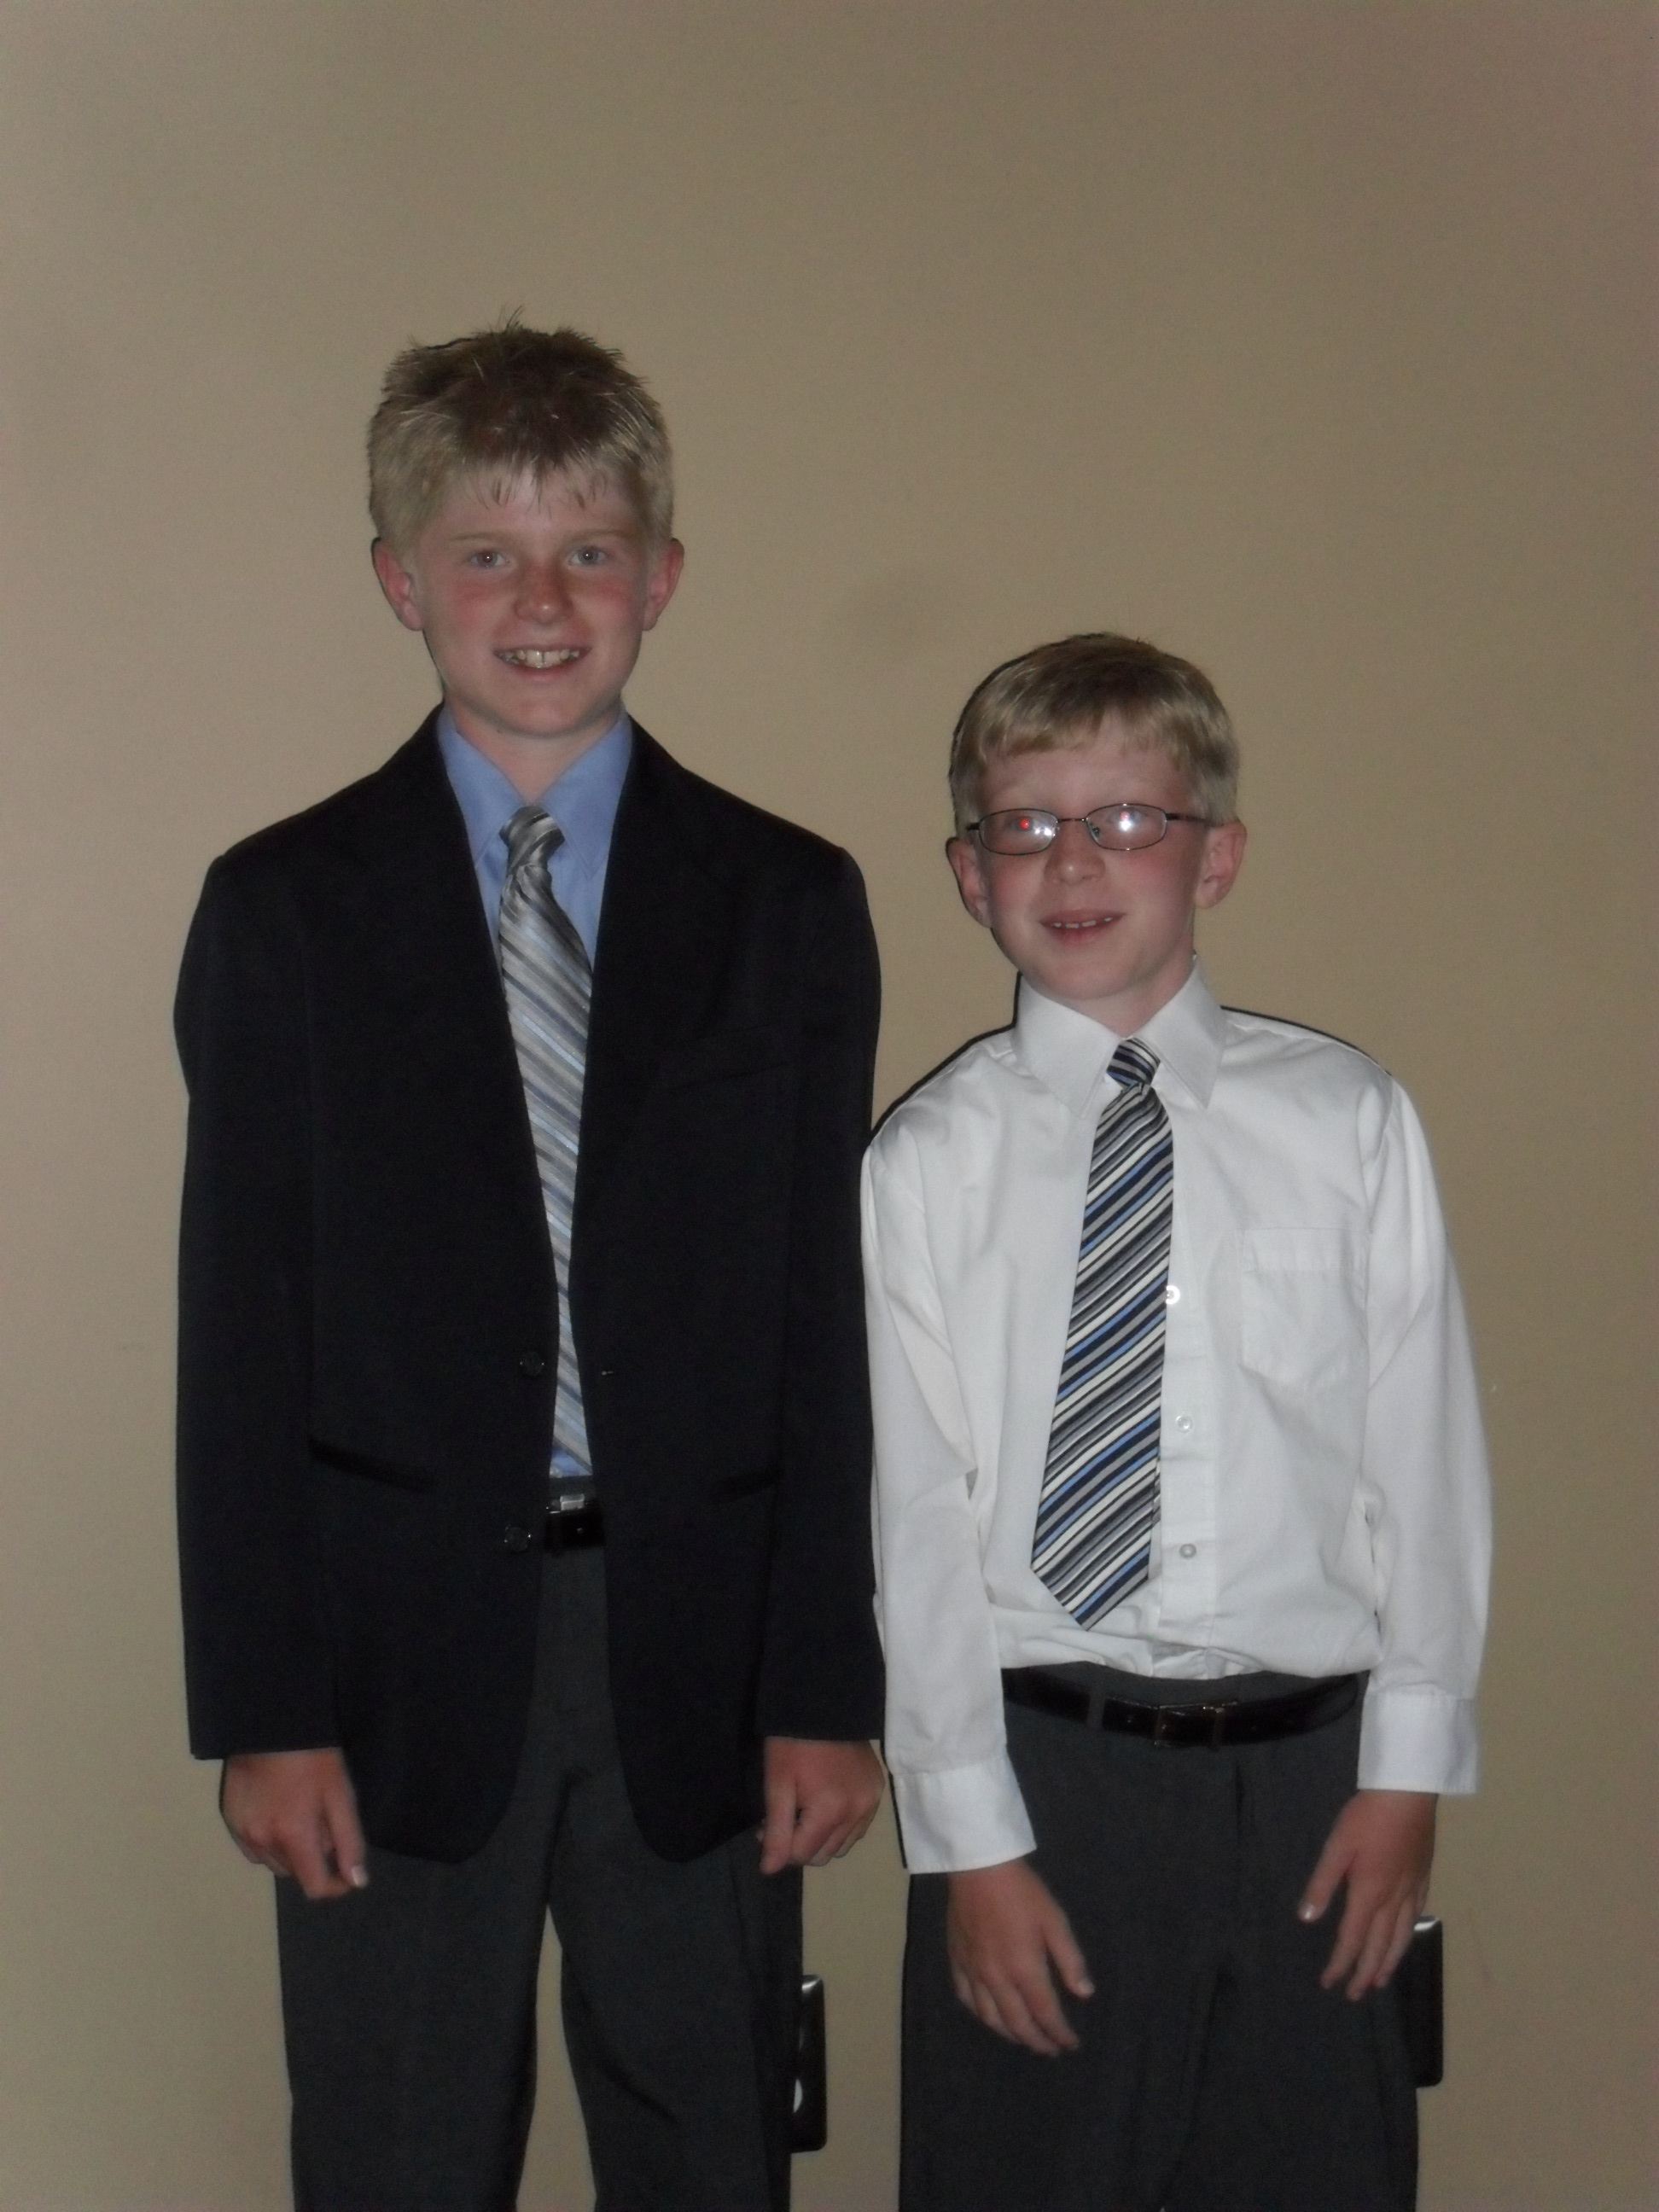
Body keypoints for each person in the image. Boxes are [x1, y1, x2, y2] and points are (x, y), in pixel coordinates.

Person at [175, 321, 886, 2212]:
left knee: (712, 2150)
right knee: (397, 2155)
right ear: (403, 581)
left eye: (589, 552)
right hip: (387, 1667)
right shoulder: (283, 910)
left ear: (662, 576)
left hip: (702, 1653)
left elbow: (824, 1326)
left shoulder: (786, 902)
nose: (543, 600)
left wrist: (826, 1679)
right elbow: (237, 1338)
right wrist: (266, 1709)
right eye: (487, 554)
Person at [864, 632, 1490, 2212]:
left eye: (1129, 820)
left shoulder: (1348, 1122)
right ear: (969, 872)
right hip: (1048, 1779)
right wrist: (971, 1843)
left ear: (1216, 856)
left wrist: (1408, 1773)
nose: (1074, 862)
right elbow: (914, 1523)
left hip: (1315, 1781)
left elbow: (1424, 1468)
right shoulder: (926, 1164)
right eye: (1027, 825)